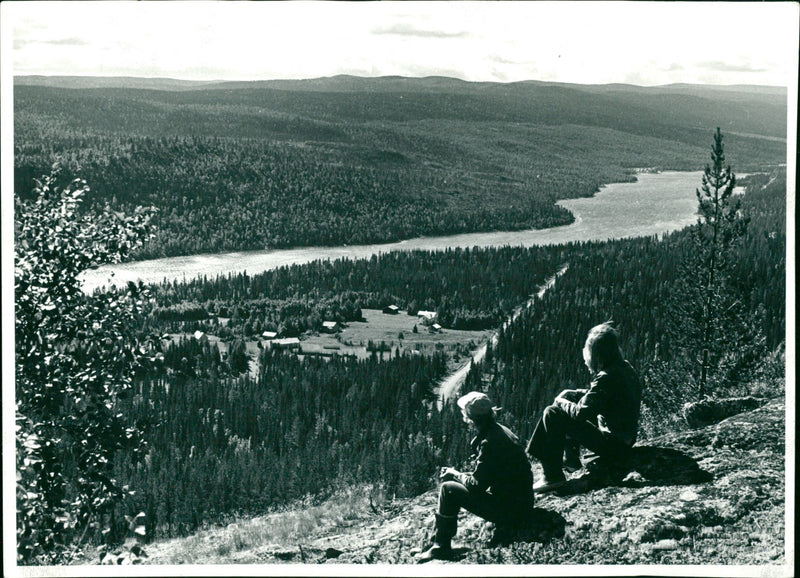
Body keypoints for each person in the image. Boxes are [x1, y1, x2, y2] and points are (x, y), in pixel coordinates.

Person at [526, 321, 641, 494]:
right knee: (570, 405)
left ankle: (553, 476)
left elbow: (581, 413)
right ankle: (571, 461)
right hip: (626, 439)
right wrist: (576, 393)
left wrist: (560, 401)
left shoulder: (606, 377)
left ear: (597, 354)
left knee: (552, 413)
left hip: (614, 445)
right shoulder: (624, 367)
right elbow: (607, 396)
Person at [418, 391, 534, 562]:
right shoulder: (501, 430)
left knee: (448, 489)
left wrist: (455, 474)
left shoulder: (489, 442)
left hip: (511, 511)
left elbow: (477, 484)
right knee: (454, 484)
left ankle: (440, 546)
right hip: (522, 502)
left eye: (464, 414)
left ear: (470, 418)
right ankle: (436, 542)